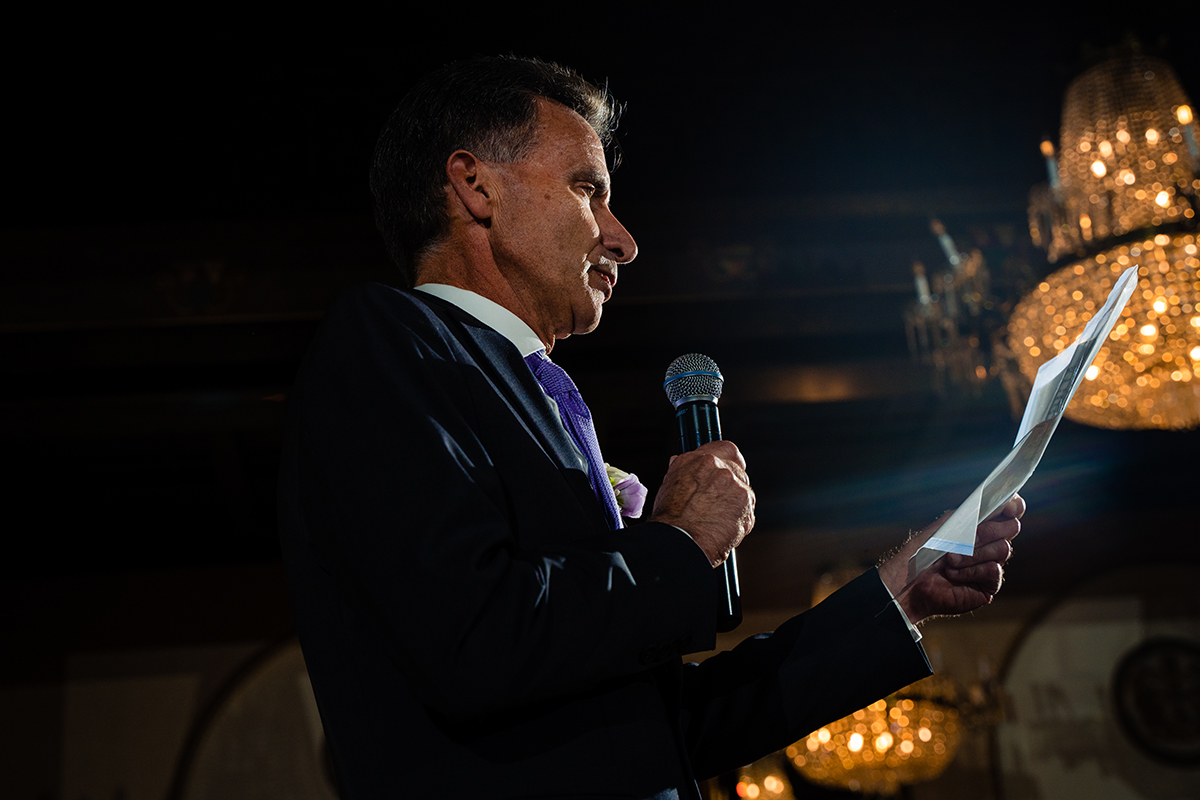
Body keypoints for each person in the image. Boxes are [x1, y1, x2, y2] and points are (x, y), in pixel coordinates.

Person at [277, 55, 1024, 800]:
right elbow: (472, 640)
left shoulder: (540, 402)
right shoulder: (385, 340)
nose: (623, 239)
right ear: (477, 187)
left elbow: (661, 731)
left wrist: (900, 594)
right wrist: (677, 542)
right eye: (587, 191)